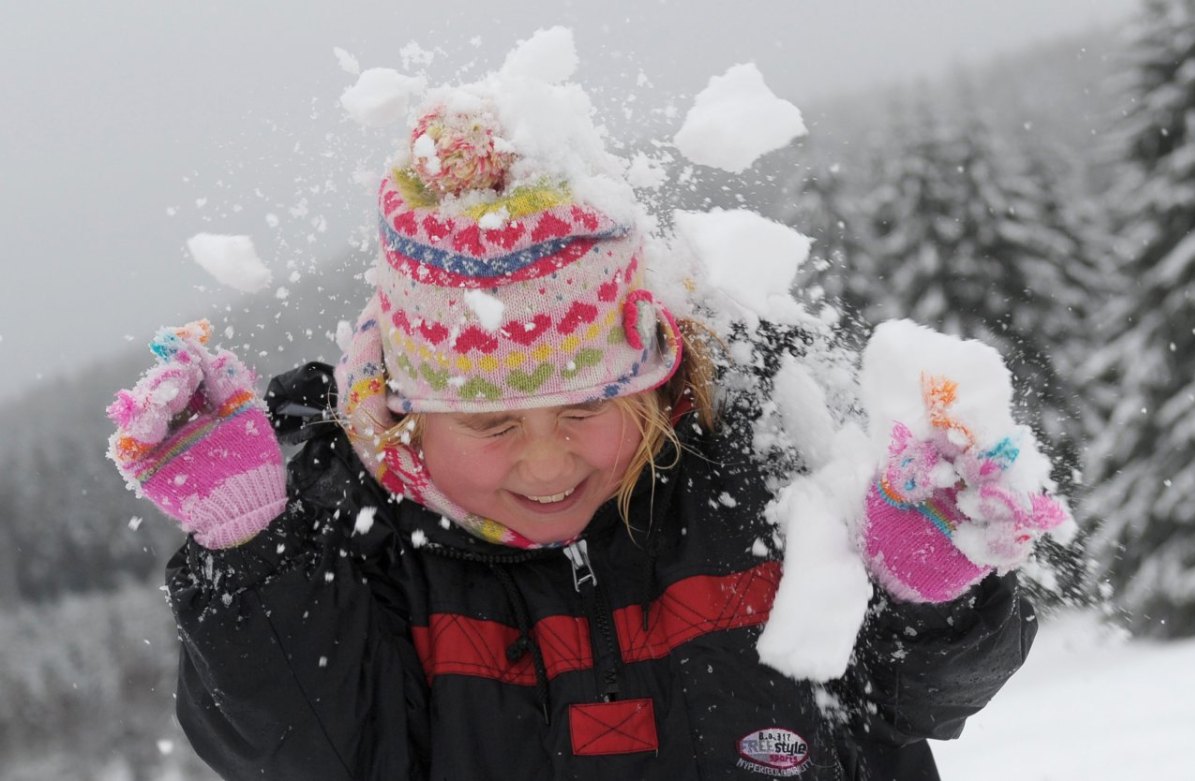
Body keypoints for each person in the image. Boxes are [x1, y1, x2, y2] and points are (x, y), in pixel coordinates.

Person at [108, 84, 1068, 781]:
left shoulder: (756, 477)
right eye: (489, 419)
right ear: (406, 414)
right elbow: (297, 753)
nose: (547, 456)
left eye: (585, 407)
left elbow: (921, 704)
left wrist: (928, 592)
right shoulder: (368, 551)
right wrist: (247, 547)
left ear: (655, 387)